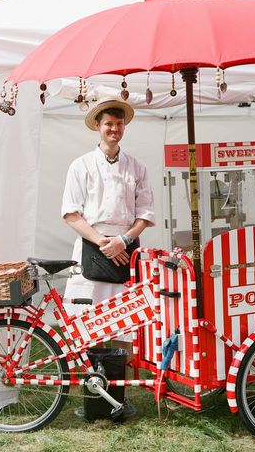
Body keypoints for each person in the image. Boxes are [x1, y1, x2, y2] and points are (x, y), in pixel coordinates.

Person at [61, 96, 155, 418]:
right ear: (99, 127)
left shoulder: (137, 167)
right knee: (90, 325)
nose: (114, 129)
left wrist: (124, 241)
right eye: (108, 124)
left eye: (118, 124)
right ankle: (95, 399)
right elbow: (71, 214)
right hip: (92, 247)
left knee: (125, 325)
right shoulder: (81, 166)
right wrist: (103, 241)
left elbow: (145, 213)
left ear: (123, 127)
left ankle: (120, 397)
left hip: (126, 249)